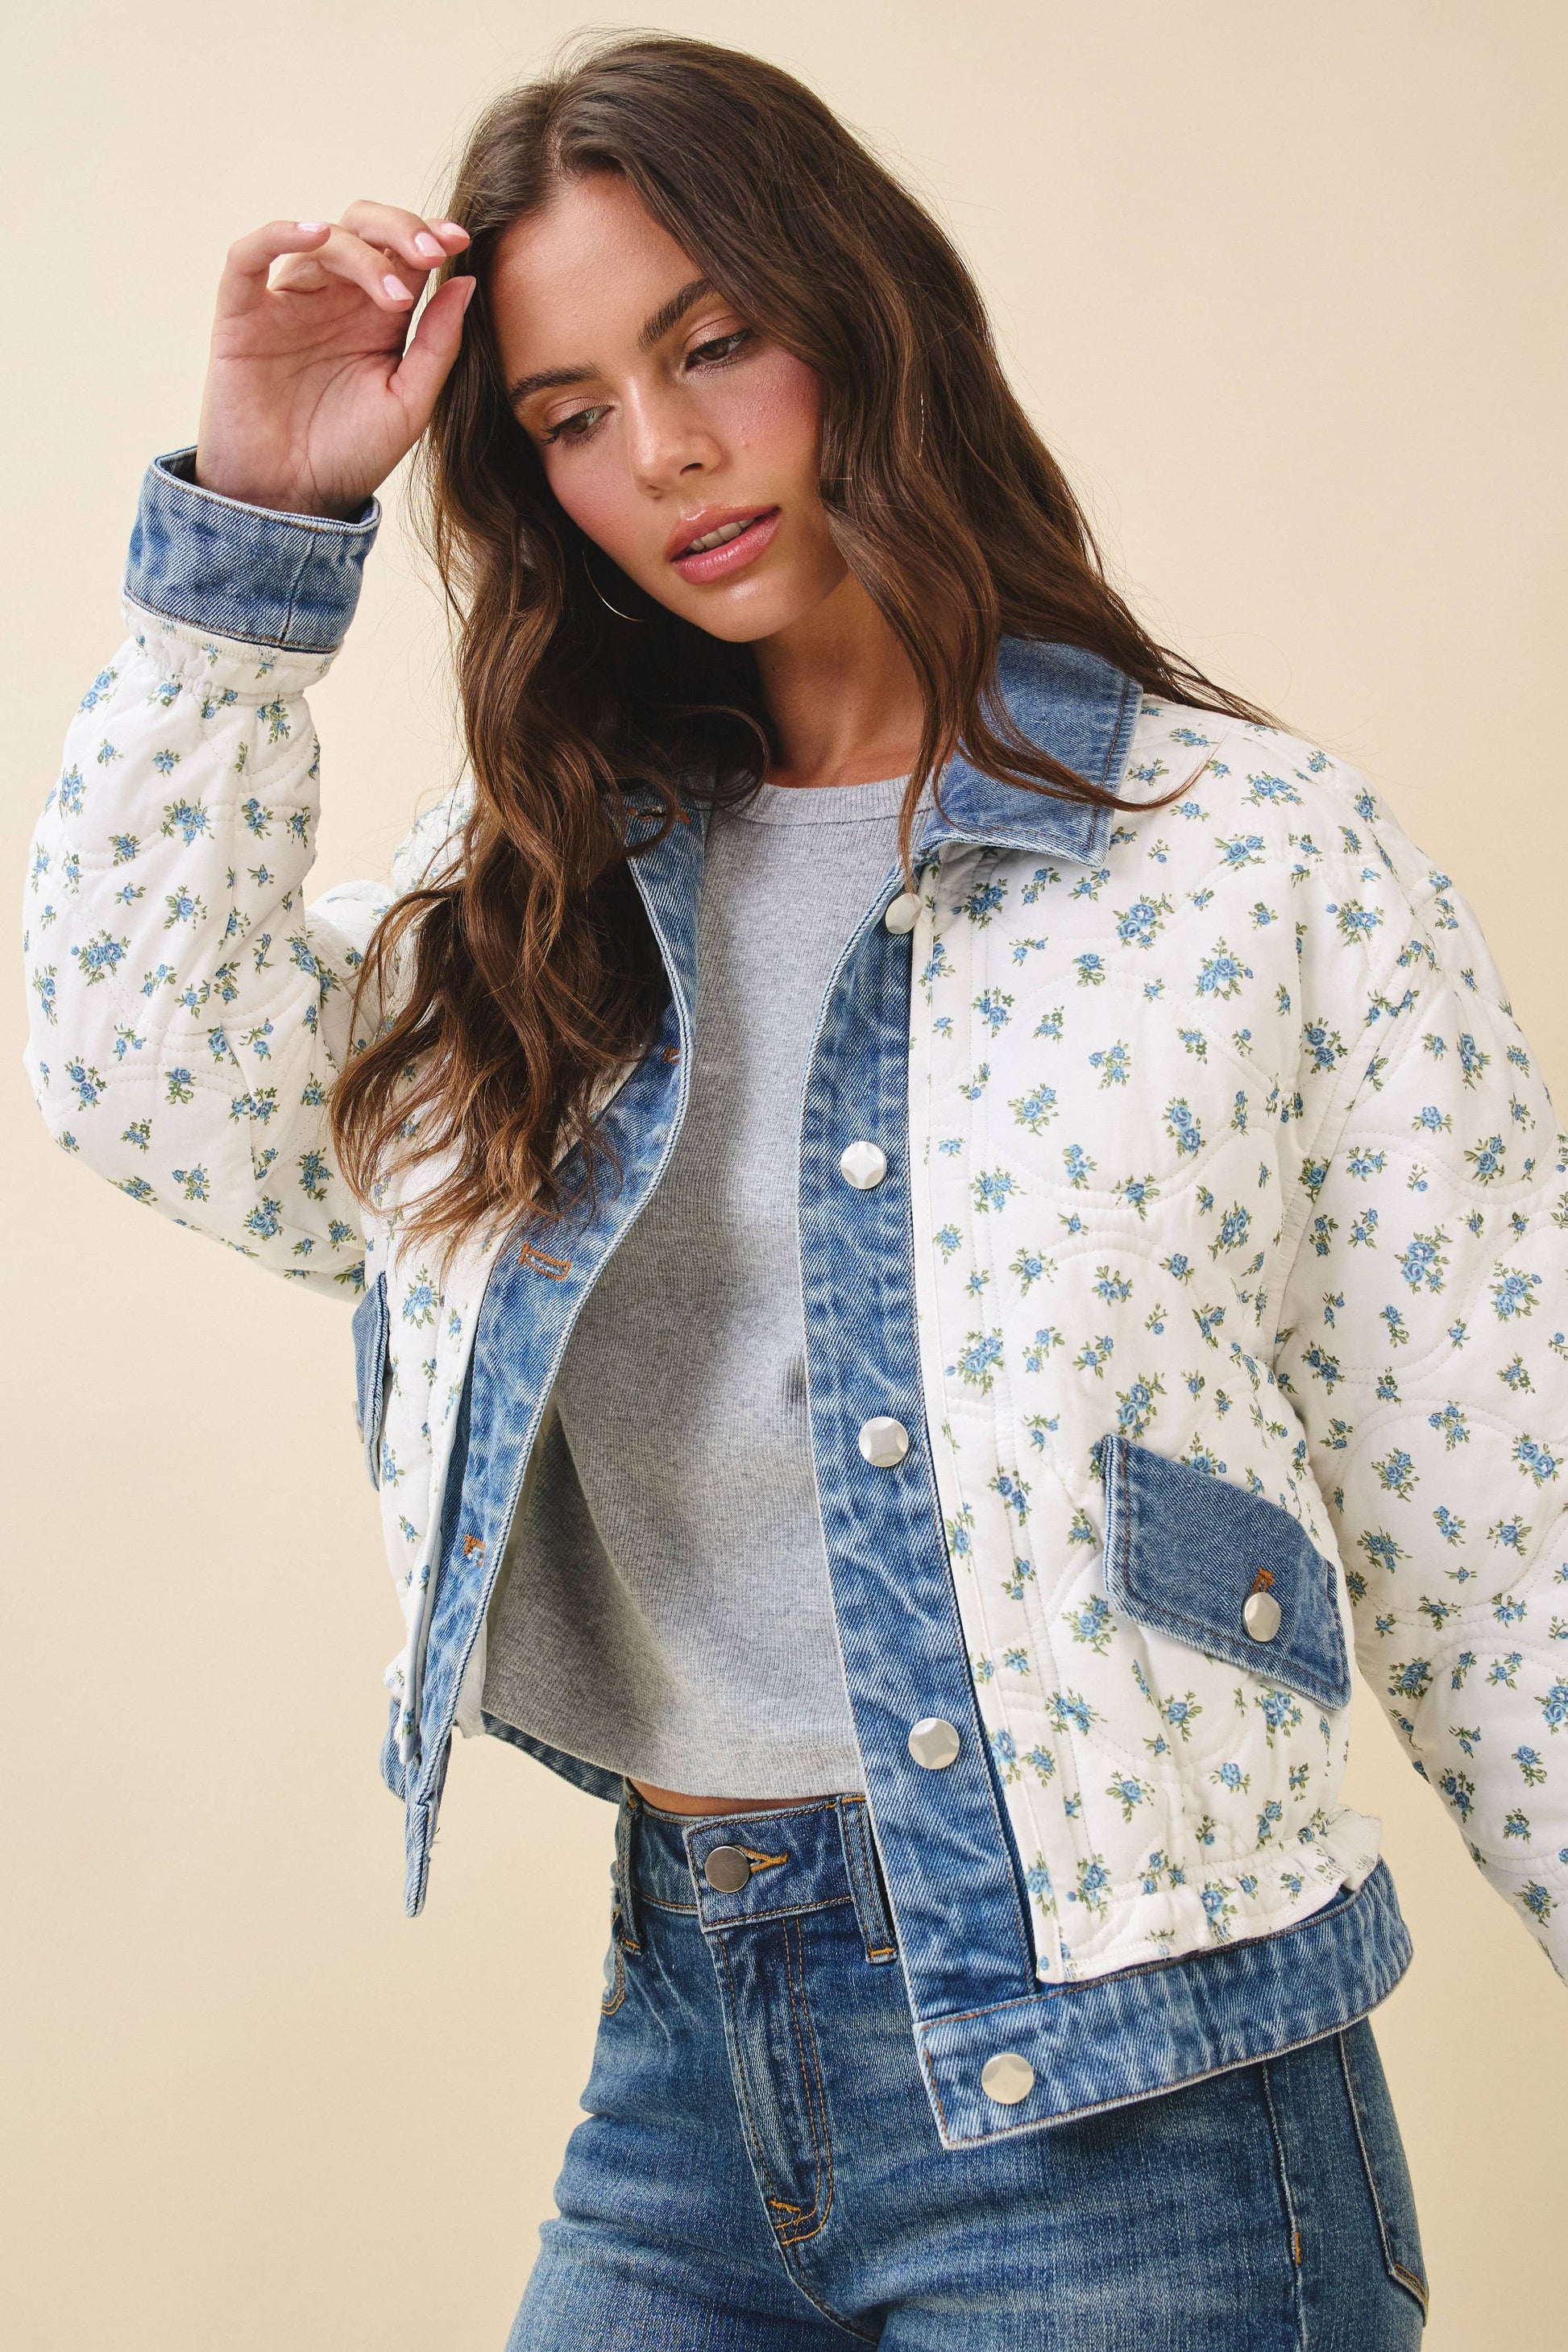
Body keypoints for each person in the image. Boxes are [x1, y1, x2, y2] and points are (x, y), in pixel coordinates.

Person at [23, 29, 1563, 2347]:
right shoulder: (536, 911)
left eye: (714, 343)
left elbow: (1509, 1522)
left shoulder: (1249, 868)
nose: (658, 452)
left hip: (1144, 2102)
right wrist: (259, 530)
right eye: (567, 416)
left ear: (863, 317)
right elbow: (141, 1065)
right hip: (687, 2058)